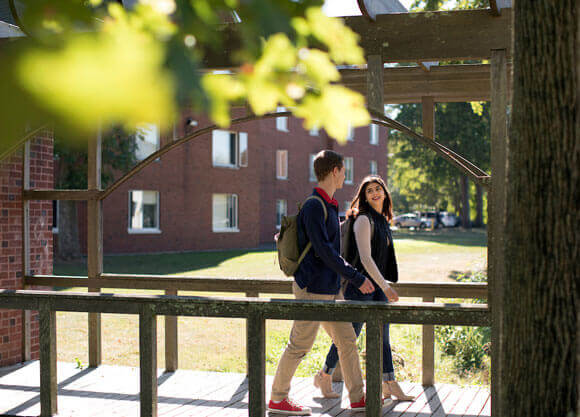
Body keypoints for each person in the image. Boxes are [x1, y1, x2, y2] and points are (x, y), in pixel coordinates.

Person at [268, 150, 379, 416]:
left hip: (329, 290)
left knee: (347, 341)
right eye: (343, 170)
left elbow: (327, 241)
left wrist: (345, 220)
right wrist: (357, 276)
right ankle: (277, 399)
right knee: (300, 345)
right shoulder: (313, 205)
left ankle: (358, 398)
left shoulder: (327, 205)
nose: (345, 175)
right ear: (334, 171)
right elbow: (324, 251)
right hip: (312, 289)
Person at [313, 175, 416, 402]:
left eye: (378, 189)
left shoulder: (382, 221)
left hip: (376, 288)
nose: (374, 193)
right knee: (349, 337)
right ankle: (324, 374)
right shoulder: (363, 220)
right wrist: (386, 286)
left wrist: (383, 286)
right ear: (364, 196)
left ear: (385, 193)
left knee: (383, 338)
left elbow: (381, 261)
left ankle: (389, 384)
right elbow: (366, 260)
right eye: (369, 191)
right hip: (360, 288)